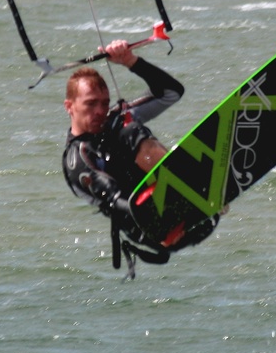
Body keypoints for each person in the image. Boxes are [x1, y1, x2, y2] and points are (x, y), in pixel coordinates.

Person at [62, 40, 216, 278]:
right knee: (131, 132)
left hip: (190, 213)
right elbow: (116, 202)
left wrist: (130, 62)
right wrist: (163, 226)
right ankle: (189, 194)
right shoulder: (77, 159)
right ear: (69, 107)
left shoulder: (114, 120)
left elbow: (171, 93)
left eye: (104, 103)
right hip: (154, 230)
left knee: (129, 127)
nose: (100, 111)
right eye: (90, 104)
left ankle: (191, 190)